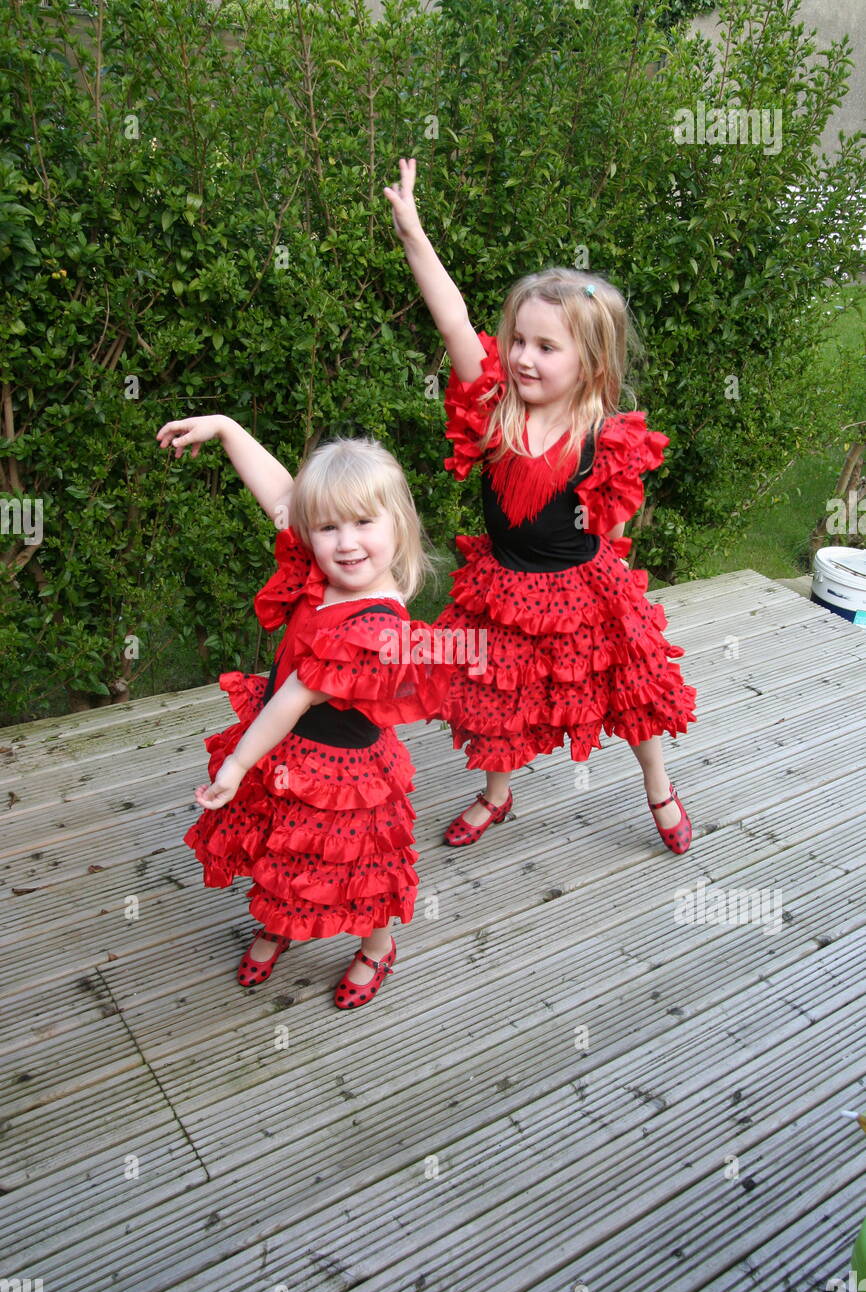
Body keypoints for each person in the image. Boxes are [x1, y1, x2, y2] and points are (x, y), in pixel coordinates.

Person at [383, 157, 697, 852]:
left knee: (633, 691)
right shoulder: (494, 409)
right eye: (519, 339)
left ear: (589, 362)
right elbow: (454, 319)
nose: (523, 356)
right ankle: (496, 795)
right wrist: (413, 234)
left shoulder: (607, 441)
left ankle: (659, 788)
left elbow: (612, 533)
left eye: (545, 347)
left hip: (585, 589)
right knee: (494, 699)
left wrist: (611, 604)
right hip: (503, 587)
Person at [156, 414, 449, 1006]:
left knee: (359, 868)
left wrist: (237, 766)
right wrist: (225, 428)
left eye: (364, 523)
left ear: (400, 526)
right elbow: (281, 496)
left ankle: (376, 946)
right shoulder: (323, 565)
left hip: (344, 771)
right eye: (328, 526)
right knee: (287, 852)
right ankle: (282, 923)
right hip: (288, 748)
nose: (345, 542)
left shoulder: (373, 622)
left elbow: (292, 697)